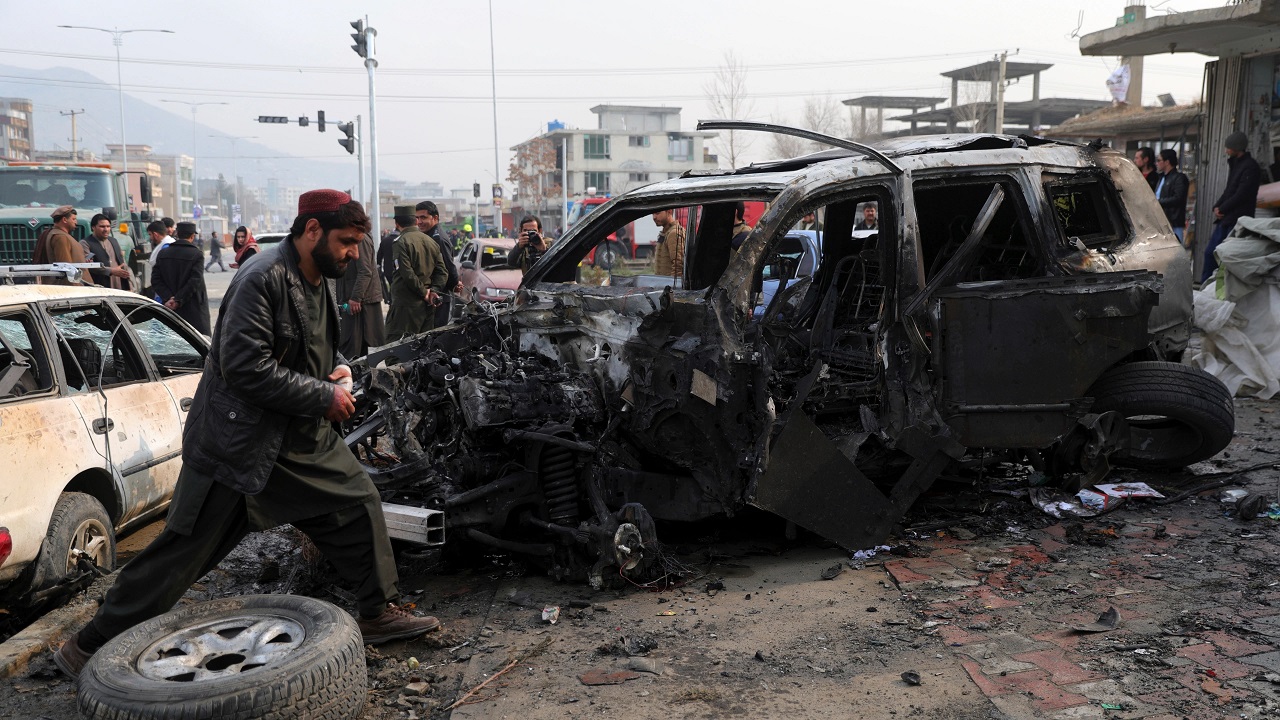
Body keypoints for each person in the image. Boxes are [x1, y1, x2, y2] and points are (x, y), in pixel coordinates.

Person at [53, 189, 441, 680]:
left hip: (298, 438)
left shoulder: (321, 277)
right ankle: (86, 645)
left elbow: (315, 348)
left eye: (357, 244)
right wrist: (322, 396)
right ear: (313, 230)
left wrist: (339, 369)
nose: (353, 253)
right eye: (346, 242)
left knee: (357, 503)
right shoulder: (262, 277)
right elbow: (243, 367)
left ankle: (377, 611)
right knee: (182, 553)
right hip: (240, 444)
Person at [1202, 131, 1263, 282]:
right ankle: (1207, 285)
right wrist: (1217, 206)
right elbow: (1229, 190)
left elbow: (1242, 194)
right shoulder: (1237, 165)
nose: (1226, 151)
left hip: (1238, 220)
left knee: (1226, 257)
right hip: (1227, 218)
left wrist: (1222, 208)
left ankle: (1216, 287)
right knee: (1211, 253)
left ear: (1236, 148)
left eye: (1228, 148)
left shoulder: (1250, 167)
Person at [384, 205, 447, 341]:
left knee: (397, 345)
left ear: (397, 223)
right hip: (427, 305)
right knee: (423, 345)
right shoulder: (431, 241)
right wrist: (433, 291)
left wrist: (424, 293)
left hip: (405, 306)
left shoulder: (400, 242)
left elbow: (406, 273)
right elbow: (442, 272)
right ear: (416, 221)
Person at [151, 221, 211, 335]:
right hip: (193, 308)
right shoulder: (196, 254)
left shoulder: (163, 253)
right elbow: (195, 281)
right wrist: (178, 300)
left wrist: (169, 298)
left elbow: (155, 280)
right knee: (195, 339)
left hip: (169, 308)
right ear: (192, 236)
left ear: (177, 234)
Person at [336, 230, 385, 358]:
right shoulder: (349, 235)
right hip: (354, 300)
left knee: (353, 348)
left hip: (361, 302)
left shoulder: (360, 238)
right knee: (355, 348)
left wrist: (356, 297)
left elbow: (365, 271)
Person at [416, 201, 463, 325]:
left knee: (436, 333)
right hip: (431, 295)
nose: (419, 222)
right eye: (417, 218)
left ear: (435, 218)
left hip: (438, 296)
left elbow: (447, 266)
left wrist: (454, 283)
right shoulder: (427, 235)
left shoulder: (437, 238)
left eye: (423, 217)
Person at [32, 205, 88, 286]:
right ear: (64, 220)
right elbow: (66, 267)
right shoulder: (61, 237)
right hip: (74, 287)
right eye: (73, 219)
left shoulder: (61, 235)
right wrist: (77, 287)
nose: (76, 222)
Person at [83, 213, 133, 291]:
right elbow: (89, 266)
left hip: (118, 286)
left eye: (108, 226)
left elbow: (123, 263)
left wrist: (129, 285)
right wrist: (111, 271)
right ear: (93, 227)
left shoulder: (113, 241)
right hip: (99, 287)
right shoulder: (85, 243)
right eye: (102, 226)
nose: (106, 229)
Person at [1154, 149, 1190, 245]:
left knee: (1175, 247)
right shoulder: (1161, 177)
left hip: (1173, 221)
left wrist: (1157, 202)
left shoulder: (1179, 178)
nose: (1157, 163)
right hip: (1161, 221)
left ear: (1167, 162)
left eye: (1159, 160)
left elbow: (1178, 198)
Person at [652, 208, 685, 279]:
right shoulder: (666, 232)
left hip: (668, 284)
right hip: (663, 283)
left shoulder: (674, 233)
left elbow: (678, 265)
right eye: (652, 214)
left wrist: (672, 285)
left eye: (657, 213)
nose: (654, 217)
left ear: (669, 211)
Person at [376, 222, 399, 302]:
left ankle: (391, 301)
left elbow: (379, 256)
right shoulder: (402, 239)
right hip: (399, 270)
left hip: (388, 270)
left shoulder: (385, 240)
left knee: (391, 286)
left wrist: (379, 266)